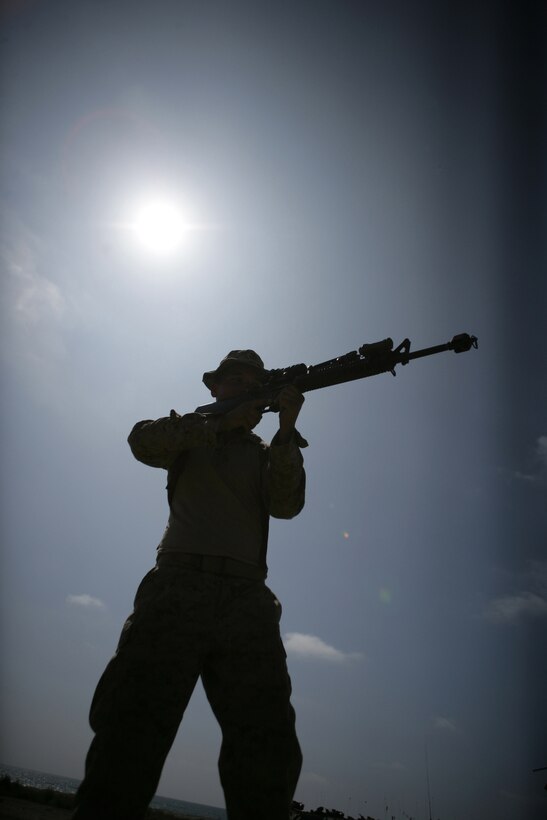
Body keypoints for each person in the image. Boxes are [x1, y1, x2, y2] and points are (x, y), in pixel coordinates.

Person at [71, 350, 307, 820]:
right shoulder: (190, 433)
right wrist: (216, 425)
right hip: (176, 588)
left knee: (266, 748)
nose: (241, 385)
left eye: (250, 381)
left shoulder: (266, 453)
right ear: (214, 388)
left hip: (246, 602)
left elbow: (286, 505)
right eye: (232, 379)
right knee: (130, 727)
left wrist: (285, 432)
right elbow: (142, 442)